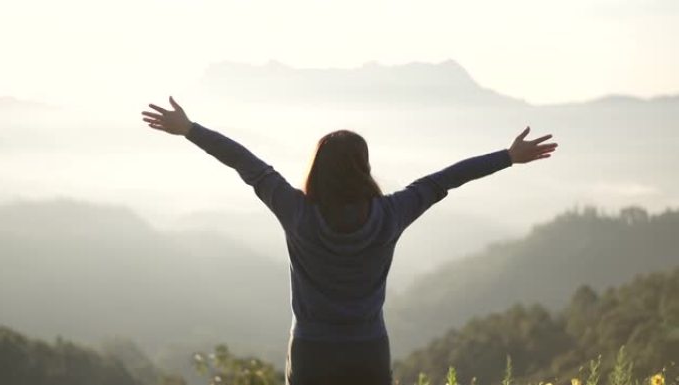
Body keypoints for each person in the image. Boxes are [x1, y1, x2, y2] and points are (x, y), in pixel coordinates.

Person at [141, 96, 558, 385]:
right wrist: (507, 156)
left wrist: (190, 129)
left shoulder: (298, 214)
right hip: (367, 350)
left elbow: (246, 164)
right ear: (364, 168)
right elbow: (446, 179)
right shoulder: (391, 214)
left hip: (311, 351)